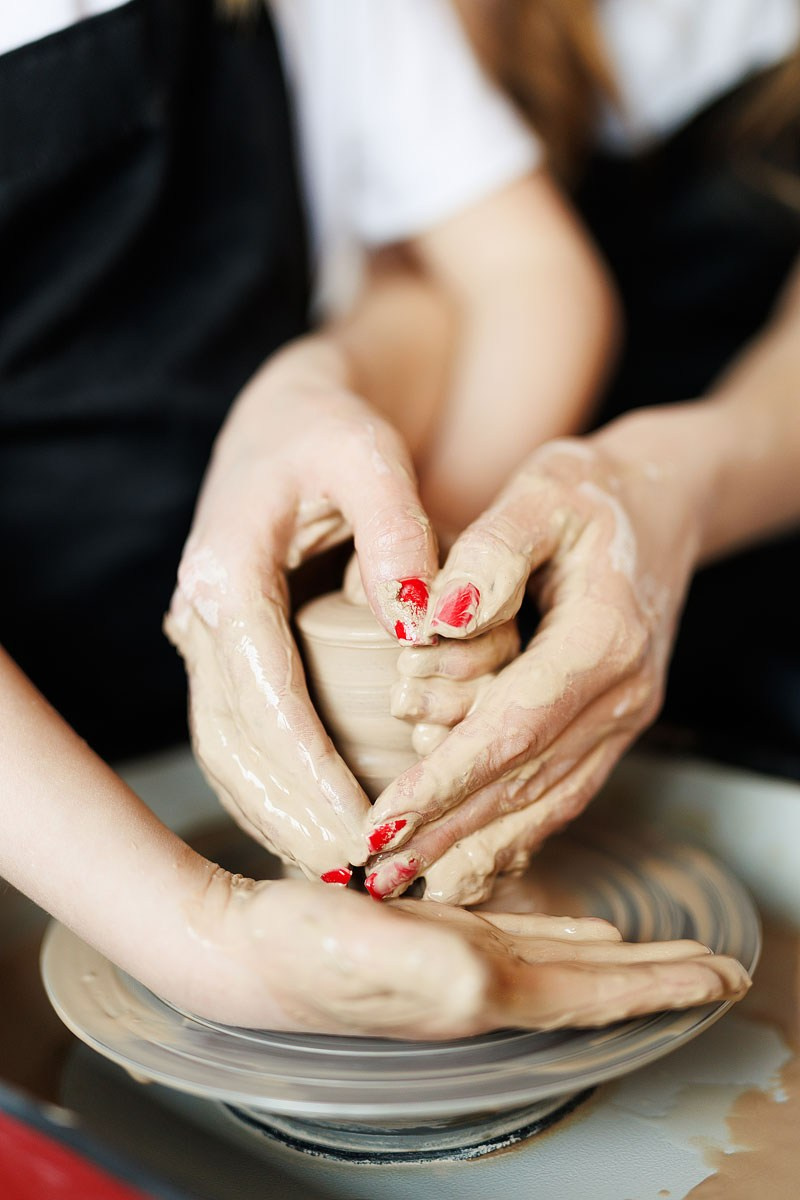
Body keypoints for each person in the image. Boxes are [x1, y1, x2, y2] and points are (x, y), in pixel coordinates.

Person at [2, 0, 748, 1037]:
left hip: (239, 657)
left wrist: (418, 570)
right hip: (37, 806)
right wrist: (195, 931)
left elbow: (522, 277)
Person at [360, 0, 800, 904]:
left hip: (745, 504)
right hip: (534, 530)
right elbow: (426, 284)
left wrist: (646, 489)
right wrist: (439, 542)